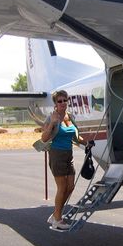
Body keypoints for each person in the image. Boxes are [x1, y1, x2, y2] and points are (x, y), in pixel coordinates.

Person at [40, 90, 87, 230]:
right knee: (62, 187)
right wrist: (52, 124)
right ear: (55, 103)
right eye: (59, 101)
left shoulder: (70, 117)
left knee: (70, 186)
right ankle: (57, 220)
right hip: (57, 154)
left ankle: (56, 213)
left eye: (65, 100)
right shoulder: (51, 118)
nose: (62, 103)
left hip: (68, 154)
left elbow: (76, 137)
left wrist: (87, 143)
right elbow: (44, 138)